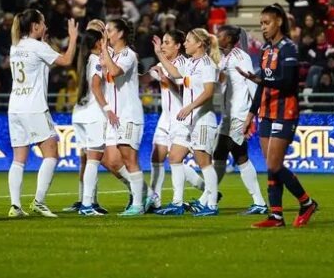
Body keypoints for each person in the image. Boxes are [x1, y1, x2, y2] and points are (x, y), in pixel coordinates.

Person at [239, 4, 318, 228]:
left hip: (285, 111)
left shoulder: (289, 48)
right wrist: (250, 116)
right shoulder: (265, 49)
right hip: (265, 112)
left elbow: (290, 83)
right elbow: (261, 88)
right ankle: (276, 216)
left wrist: (261, 80)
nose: (263, 27)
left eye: (267, 22)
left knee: (274, 164)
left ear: (279, 22)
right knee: (271, 164)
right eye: (261, 23)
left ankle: (307, 203)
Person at [7, 9, 78, 218]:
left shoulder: (15, 47)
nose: (46, 27)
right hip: (34, 107)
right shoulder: (38, 47)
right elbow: (66, 61)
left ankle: (15, 205)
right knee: (51, 154)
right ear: (35, 26)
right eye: (43, 23)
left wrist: (45, 43)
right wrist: (72, 38)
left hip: (15, 108)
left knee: (18, 159)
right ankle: (39, 201)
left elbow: (42, 63)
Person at [151, 28, 221, 216]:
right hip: (191, 121)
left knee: (204, 162)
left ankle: (212, 205)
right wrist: (159, 54)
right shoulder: (190, 63)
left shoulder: (207, 64)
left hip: (203, 120)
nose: (186, 44)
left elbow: (208, 91)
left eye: (189, 40)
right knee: (174, 157)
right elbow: (174, 73)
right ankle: (177, 203)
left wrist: (189, 107)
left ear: (199, 44)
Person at [214, 25, 268, 214]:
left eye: (220, 35)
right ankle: (209, 198)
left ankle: (259, 202)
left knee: (238, 154)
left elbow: (251, 83)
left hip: (240, 114)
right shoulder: (225, 58)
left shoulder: (240, 57)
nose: (216, 37)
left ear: (228, 39)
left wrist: (252, 115)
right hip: (228, 116)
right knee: (220, 154)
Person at [100, 18, 149, 216]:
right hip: (114, 116)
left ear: (120, 34)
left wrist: (104, 52)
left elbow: (115, 72)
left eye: (109, 30)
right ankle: (145, 192)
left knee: (129, 159)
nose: (106, 34)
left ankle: (138, 204)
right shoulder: (111, 53)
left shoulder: (129, 55)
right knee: (109, 160)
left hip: (129, 114)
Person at [70, 28, 110, 216]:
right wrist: (107, 109)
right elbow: (95, 86)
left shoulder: (85, 60)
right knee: (93, 161)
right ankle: (87, 205)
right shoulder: (96, 61)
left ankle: (86, 203)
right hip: (94, 114)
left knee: (88, 161)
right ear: (97, 43)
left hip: (80, 113)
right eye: (103, 39)